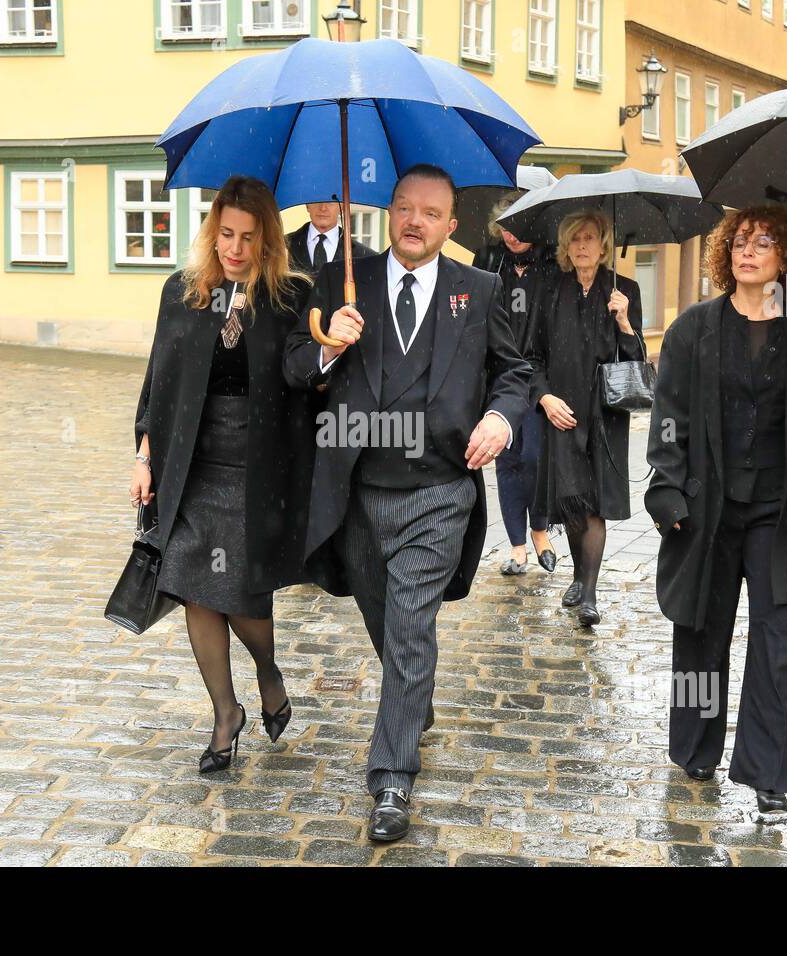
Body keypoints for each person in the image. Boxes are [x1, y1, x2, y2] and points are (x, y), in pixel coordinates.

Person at [283, 164, 531, 842]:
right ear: (388, 213)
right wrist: (328, 349)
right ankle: (410, 693)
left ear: (452, 225)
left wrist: (501, 420)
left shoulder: (478, 290)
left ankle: (392, 778)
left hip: (439, 491)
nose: (414, 220)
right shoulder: (343, 281)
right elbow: (292, 363)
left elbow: (515, 370)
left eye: (430, 212)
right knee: (388, 624)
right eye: (402, 208)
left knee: (411, 624)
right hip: (357, 491)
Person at [647, 205, 787, 814]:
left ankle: (767, 770)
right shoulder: (693, 329)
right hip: (706, 508)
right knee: (701, 630)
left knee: (773, 637)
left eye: (762, 242)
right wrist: (669, 492)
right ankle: (698, 747)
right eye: (738, 241)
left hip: (778, 511)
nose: (747, 251)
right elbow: (668, 416)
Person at [131, 175, 317, 775]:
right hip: (189, 462)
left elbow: (302, 380)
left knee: (239, 593)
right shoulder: (181, 292)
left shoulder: (289, 297)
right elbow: (158, 381)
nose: (233, 249)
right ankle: (224, 715)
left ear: (267, 242)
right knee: (193, 586)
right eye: (225, 234)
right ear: (212, 232)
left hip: (255, 468)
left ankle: (267, 671)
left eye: (247, 238)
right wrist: (144, 457)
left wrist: (329, 346)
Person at [525, 210, 643, 627]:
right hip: (563, 413)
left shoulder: (623, 290)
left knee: (594, 505)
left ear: (603, 245)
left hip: (605, 415)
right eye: (574, 239)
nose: (581, 246)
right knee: (572, 503)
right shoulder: (550, 289)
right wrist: (544, 398)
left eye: (590, 238)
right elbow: (532, 356)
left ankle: (589, 593)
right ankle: (579, 576)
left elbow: (638, 361)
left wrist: (625, 322)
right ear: (565, 246)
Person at [472, 192, 558, 576]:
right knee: (506, 460)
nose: (511, 235)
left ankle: (540, 529)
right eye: (505, 227)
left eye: (518, 227)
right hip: (500, 375)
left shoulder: (555, 264)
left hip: (541, 375)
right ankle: (518, 546)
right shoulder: (491, 260)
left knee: (534, 458)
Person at [285, 201, 376, 279]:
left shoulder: (366, 258)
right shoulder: (281, 246)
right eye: (317, 200)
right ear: (307, 205)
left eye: (330, 201)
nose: (323, 208)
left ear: (342, 206)